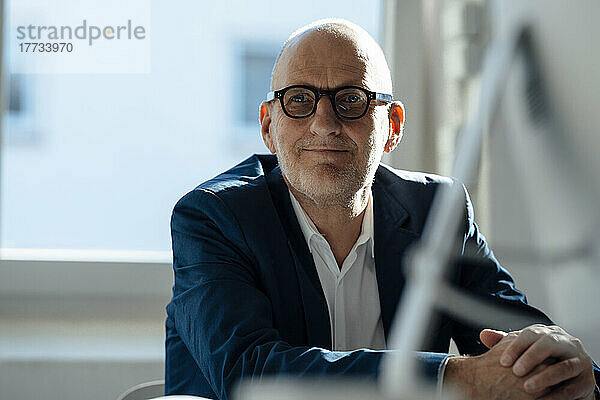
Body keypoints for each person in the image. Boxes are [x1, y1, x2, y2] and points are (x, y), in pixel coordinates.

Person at [165, 19, 599, 400]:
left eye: (351, 99)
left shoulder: (437, 213)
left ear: (391, 127)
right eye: (298, 100)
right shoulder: (214, 218)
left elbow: (518, 343)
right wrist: (455, 378)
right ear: (267, 127)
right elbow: (249, 376)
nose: (324, 123)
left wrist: (570, 372)